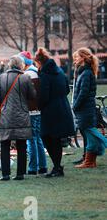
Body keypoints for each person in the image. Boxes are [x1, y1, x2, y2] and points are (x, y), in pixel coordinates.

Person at [0, 55, 36, 181]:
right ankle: (20, 174)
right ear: (21, 65)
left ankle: (5, 174)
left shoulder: (2, 78)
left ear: (9, 65)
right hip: (22, 115)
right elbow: (32, 95)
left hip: (6, 116)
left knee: (4, 146)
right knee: (22, 145)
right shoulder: (26, 78)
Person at [34, 48, 75, 178]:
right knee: (55, 139)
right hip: (63, 107)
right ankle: (57, 167)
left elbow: (44, 96)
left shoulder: (45, 74)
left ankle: (57, 167)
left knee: (47, 137)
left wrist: (38, 106)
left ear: (39, 62)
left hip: (51, 111)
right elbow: (67, 89)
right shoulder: (59, 72)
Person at [72, 48, 107, 168]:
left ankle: (89, 161)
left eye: (76, 57)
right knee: (89, 134)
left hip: (85, 108)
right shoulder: (83, 72)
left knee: (91, 132)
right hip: (85, 108)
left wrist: (75, 105)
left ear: (83, 58)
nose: (75, 60)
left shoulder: (86, 73)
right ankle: (90, 162)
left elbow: (83, 92)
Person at [19, 51, 48, 176]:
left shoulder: (28, 74)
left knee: (31, 140)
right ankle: (42, 166)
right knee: (38, 139)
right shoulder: (35, 71)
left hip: (31, 111)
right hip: (38, 110)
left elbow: (29, 95)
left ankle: (32, 168)